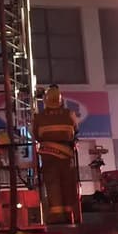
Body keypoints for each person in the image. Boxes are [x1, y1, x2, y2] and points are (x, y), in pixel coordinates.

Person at [33, 85, 81, 223]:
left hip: (48, 157)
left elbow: (36, 135)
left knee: (53, 186)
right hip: (67, 156)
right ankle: (69, 216)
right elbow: (76, 131)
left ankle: (56, 216)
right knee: (68, 186)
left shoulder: (39, 118)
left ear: (45, 100)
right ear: (60, 100)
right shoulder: (69, 114)